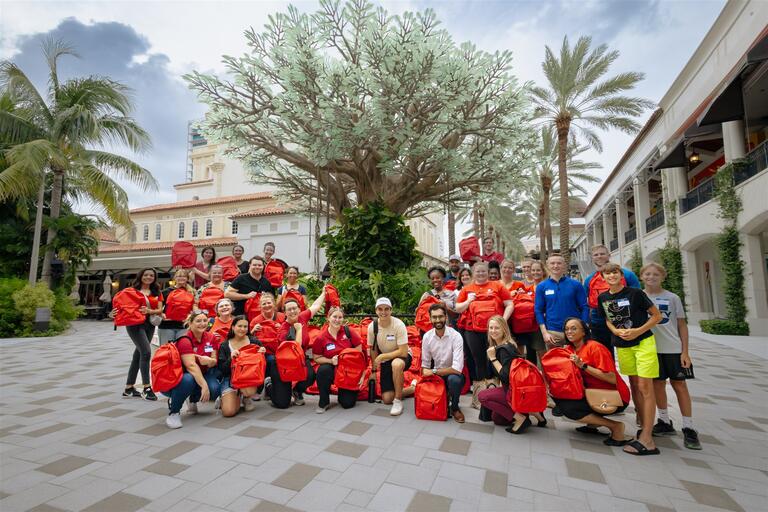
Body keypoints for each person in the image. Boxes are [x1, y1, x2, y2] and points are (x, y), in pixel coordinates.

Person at [597, 262, 662, 456]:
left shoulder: (635, 293)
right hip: (623, 345)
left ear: (621, 275)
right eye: (608, 274)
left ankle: (648, 439)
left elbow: (656, 316)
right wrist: (615, 330)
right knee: (634, 385)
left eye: (615, 272)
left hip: (643, 343)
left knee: (645, 387)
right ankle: (643, 426)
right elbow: (608, 319)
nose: (612, 276)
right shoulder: (603, 297)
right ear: (603, 278)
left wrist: (637, 331)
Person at [641, 263, 701, 450]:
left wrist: (685, 351)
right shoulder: (639, 296)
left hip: (673, 348)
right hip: (651, 349)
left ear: (663, 276)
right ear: (641, 276)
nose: (651, 277)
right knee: (658, 385)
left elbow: (682, 325)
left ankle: (688, 427)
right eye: (647, 274)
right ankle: (665, 421)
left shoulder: (672, 298)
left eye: (656, 274)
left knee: (679, 385)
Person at [554, 317, 632, 446]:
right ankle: (593, 424)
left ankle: (616, 427)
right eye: (566, 329)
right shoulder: (570, 349)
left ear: (584, 331)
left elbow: (611, 378)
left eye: (574, 328)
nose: (569, 332)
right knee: (559, 394)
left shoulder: (595, 347)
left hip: (614, 398)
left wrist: (583, 366)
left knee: (567, 407)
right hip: (592, 393)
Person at [454, 262, 514, 409]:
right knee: (478, 360)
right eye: (478, 272)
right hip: (472, 331)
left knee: (494, 360)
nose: (480, 274)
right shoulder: (467, 289)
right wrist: (469, 300)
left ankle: (495, 394)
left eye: (483, 272)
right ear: (473, 273)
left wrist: (502, 321)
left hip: (493, 331)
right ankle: (479, 397)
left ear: (488, 272)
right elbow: (457, 308)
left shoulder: (497, 286)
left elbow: (510, 304)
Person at [478, 315, 546, 432]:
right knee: (497, 418)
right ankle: (534, 412)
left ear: (504, 329)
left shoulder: (504, 349)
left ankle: (521, 418)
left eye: (497, 328)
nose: (493, 331)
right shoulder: (505, 345)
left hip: (514, 390)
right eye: (491, 328)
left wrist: (493, 358)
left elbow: (505, 375)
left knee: (483, 397)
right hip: (515, 388)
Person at [165, 310, 223, 429]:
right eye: (198, 321)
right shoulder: (185, 340)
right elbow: (191, 366)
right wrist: (204, 386)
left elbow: (214, 360)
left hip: (205, 372)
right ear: (190, 323)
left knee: (215, 390)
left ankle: (192, 399)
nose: (202, 323)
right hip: (184, 375)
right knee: (188, 380)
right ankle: (174, 412)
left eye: (204, 320)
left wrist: (209, 361)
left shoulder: (211, 337)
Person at [270, 289, 326, 408]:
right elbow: (296, 348)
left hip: (299, 360)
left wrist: (324, 293)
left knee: (310, 376)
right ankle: (269, 385)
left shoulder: (302, 317)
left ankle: (297, 391)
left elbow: (315, 306)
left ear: (299, 309)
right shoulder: (283, 330)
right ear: (284, 313)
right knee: (282, 404)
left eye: (294, 308)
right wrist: (299, 329)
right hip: (283, 363)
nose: (292, 311)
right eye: (289, 309)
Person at [584, 245, 641, 353]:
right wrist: (587, 322)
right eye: (596, 255)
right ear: (592, 258)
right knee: (603, 354)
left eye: (602, 254)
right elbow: (586, 303)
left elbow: (638, 298)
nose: (599, 256)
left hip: (625, 322)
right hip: (599, 322)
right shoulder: (589, 279)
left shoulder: (627, 275)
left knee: (629, 353)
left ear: (609, 255)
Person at [368, 297, 416, 416]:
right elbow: (373, 349)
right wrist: (373, 370)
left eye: (386, 309)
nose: (383, 312)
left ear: (391, 310)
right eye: (380, 309)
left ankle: (398, 400)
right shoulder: (372, 327)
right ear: (376, 310)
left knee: (396, 364)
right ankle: (411, 389)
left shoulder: (398, 324)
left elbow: (403, 352)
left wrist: (384, 356)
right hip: (386, 360)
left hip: (402, 357)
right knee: (387, 399)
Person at [313, 306, 364, 413]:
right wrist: (330, 361)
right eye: (334, 317)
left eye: (340, 317)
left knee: (347, 403)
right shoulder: (321, 338)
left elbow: (359, 353)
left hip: (348, 371)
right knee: (323, 370)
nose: (337, 320)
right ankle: (324, 401)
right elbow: (316, 358)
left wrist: (362, 374)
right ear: (328, 318)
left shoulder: (349, 332)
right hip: (332, 368)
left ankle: (344, 392)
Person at [421, 303, 466, 423]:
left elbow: (457, 369)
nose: (437, 320)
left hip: (453, 375)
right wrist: (426, 372)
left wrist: (433, 371)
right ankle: (442, 400)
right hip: (437, 376)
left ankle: (455, 408)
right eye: (434, 317)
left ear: (446, 317)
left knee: (454, 380)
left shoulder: (456, 336)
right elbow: (425, 365)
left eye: (440, 316)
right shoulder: (427, 337)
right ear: (430, 318)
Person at [122, 268, 162, 401]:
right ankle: (147, 388)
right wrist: (114, 313)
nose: (149, 277)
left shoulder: (157, 291)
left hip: (149, 324)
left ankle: (129, 388)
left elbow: (160, 310)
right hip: (134, 324)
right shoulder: (131, 291)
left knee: (138, 354)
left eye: (152, 275)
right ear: (140, 276)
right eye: (146, 275)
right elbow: (121, 306)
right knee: (146, 352)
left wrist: (149, 310)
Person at [535, 253, 588, 350]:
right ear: (547, 265)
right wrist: (544, 333)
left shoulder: (576, 284)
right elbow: (538, 310)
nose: (555, 266)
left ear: (564, 265)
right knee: (555, 363)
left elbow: (584, 307)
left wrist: (583, 328)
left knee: (577, 362)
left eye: (559, 263)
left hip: (575, 331)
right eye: (552, 263)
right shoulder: (541, 286)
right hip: (553, 332)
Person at [217, 316, 265, 417]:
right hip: (230, 379)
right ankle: (234, 397)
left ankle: (246, 397)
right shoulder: (225, 345)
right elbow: (222, 369)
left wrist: (262, 354)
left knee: (248, 391)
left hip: (249, 378)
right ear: (233, 327)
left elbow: (262, 366)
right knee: (228, 412)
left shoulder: (254, 341)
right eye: (239, 326)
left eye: (245, 327)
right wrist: (231, 358)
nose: (242, 329)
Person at [158, 268, 195, 345]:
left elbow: (195, 309)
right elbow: (158, 308)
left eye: (184, 276)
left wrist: (191, 316)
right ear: (175, 278)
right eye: (179, 276)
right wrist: (161, 314)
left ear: (187, 278)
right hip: (166, 326)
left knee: (182, 351)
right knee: (166, 351)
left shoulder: (192, 292)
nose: (181, 278)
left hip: (184, 327)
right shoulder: (165, 292)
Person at [455, 267, 476, 386]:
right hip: (462, 325)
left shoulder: (476, 288)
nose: (465, 277)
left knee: (476, 353)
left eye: (467, 275)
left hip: (476, 324)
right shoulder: (457, 291)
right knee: (466, 353)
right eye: (462, 276)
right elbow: (456, 309)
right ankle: (471, 381)